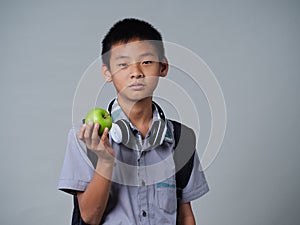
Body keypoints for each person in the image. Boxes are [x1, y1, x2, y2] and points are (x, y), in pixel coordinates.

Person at [58, 18, 209, 225]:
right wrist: (105, 160)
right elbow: (89, 218)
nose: (136, 72)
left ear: (163, 67)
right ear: (107, 73)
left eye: (146, 62)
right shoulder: (85, 137)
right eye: (123, 64)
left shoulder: (182, 138)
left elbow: (185, 215)